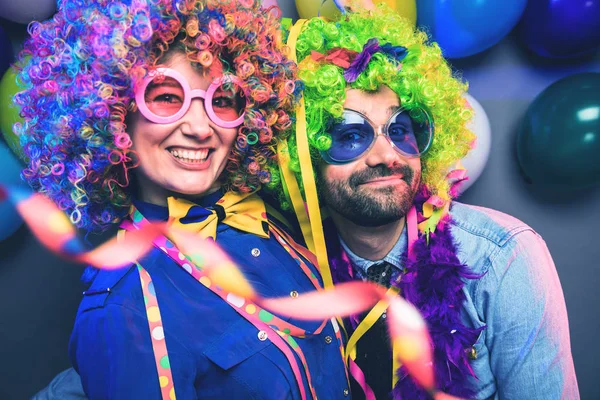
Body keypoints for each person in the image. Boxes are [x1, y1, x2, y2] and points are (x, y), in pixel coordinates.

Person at [17, 0, 349, 398]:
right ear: (113, 113)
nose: (200, 128)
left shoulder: (264, 217)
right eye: (166, 97)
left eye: (222, 99)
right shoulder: (123, 310)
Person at [276, 5, 580, 400]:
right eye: (350, 135)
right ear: (304, 159)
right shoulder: (287, 271)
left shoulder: (502, 257)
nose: (387, 155)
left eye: (400, 128)